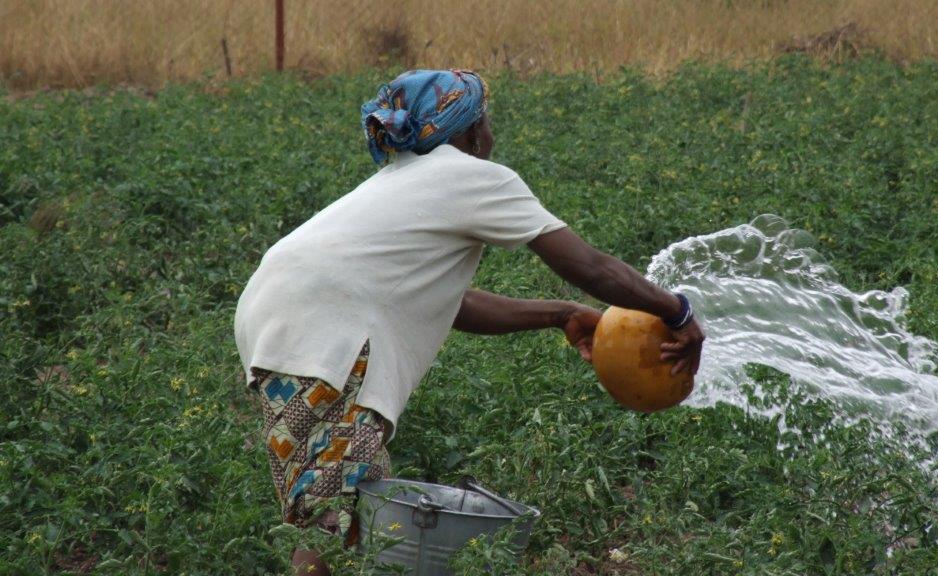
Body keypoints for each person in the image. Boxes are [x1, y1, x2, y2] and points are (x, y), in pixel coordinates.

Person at [234, 69, 704, 575]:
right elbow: (587, 265)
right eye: (488, 120)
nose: (492, 135)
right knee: (332, 514)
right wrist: (676, 311)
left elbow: (449, 304)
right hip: (326, 332)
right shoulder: (471, 176)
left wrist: (561, 314)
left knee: (327, 504)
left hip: (276, 322)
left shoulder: (400, 179)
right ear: (471, 131)